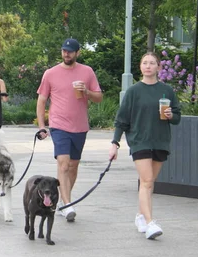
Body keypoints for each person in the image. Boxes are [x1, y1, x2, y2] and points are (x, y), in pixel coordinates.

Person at [108, 51, 181, 240]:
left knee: (149, 183)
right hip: (139, 140)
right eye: (144, 63)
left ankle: (140, 216)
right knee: (147, 181)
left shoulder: (167, 91)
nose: (148, 66)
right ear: (140, 67)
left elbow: (177, 117)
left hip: (160, 140)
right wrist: (115, 143)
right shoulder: (133, 91)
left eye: (152, 63)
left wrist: (171, 115)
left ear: (158, 67)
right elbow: (121, 120)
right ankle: (150, 222)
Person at [36, 38, 103, 222]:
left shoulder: (87, 72)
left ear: (77, 53)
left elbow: (98, 97)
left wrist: (87, 92)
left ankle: (63, 200)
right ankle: (67, 204)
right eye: (64, 50)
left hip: (80, 127)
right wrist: (42, 126)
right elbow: (41, 101)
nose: (67, 54)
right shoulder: (50, 73)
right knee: (63, 164)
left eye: (70, 51)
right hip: (59, 126)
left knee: (73, 166)